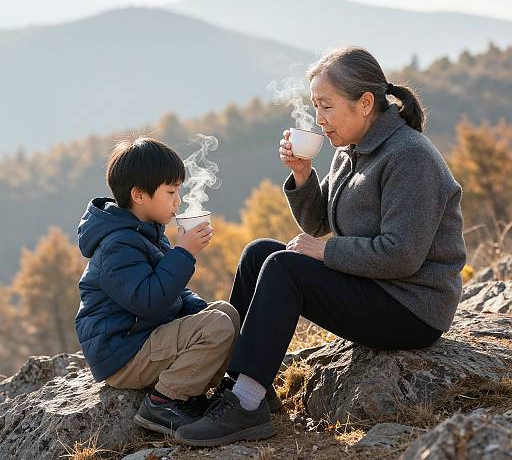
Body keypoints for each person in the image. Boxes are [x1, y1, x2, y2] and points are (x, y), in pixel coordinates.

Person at [175, 47, 467, 446]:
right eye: (315, 106)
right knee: (260, 252)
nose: (319, 119)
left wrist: (323, 253)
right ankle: (242, 385)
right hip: (375, 287)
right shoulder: (350, 151)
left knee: (284, 267)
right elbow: (318, 222)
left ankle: (246, 406)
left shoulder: (410, 157)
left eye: (326, 106)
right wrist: (302, 174)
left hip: (413, 308)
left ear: (365, 103)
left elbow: (402, 254)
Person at [75, 137, 240, 435]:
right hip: (123, 352)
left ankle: (207, 393)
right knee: (216, 326)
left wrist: (199, 315)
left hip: (144, 337)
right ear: (139, 195)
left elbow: (173, 292)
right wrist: (184, 253)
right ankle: (163, 402)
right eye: (171, 192)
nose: (178, 201)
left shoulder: (148, 231)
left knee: (225, 314)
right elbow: (149, 300)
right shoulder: (117, 245)